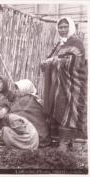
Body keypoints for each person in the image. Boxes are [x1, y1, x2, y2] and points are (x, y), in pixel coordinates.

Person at [40, 17, 87, 152]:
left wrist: (53, 61)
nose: (63, 30)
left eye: (65, 27)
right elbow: (51, 59)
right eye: (60, 27)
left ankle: (65, 142)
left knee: (69, 110)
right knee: (59, 108)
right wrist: (45, 63)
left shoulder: (76, 42)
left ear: (71, 27)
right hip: (58, 86)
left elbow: (73, 61)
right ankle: (61, 140)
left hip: (71, 85)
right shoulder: (59, 45)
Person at [10, 79, 50, 145]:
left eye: (17, 89)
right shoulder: (35, 98)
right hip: (42, 136)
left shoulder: (25, 99)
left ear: (25, 89)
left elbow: (13, 113)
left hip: (34, 137)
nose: (15, 91)